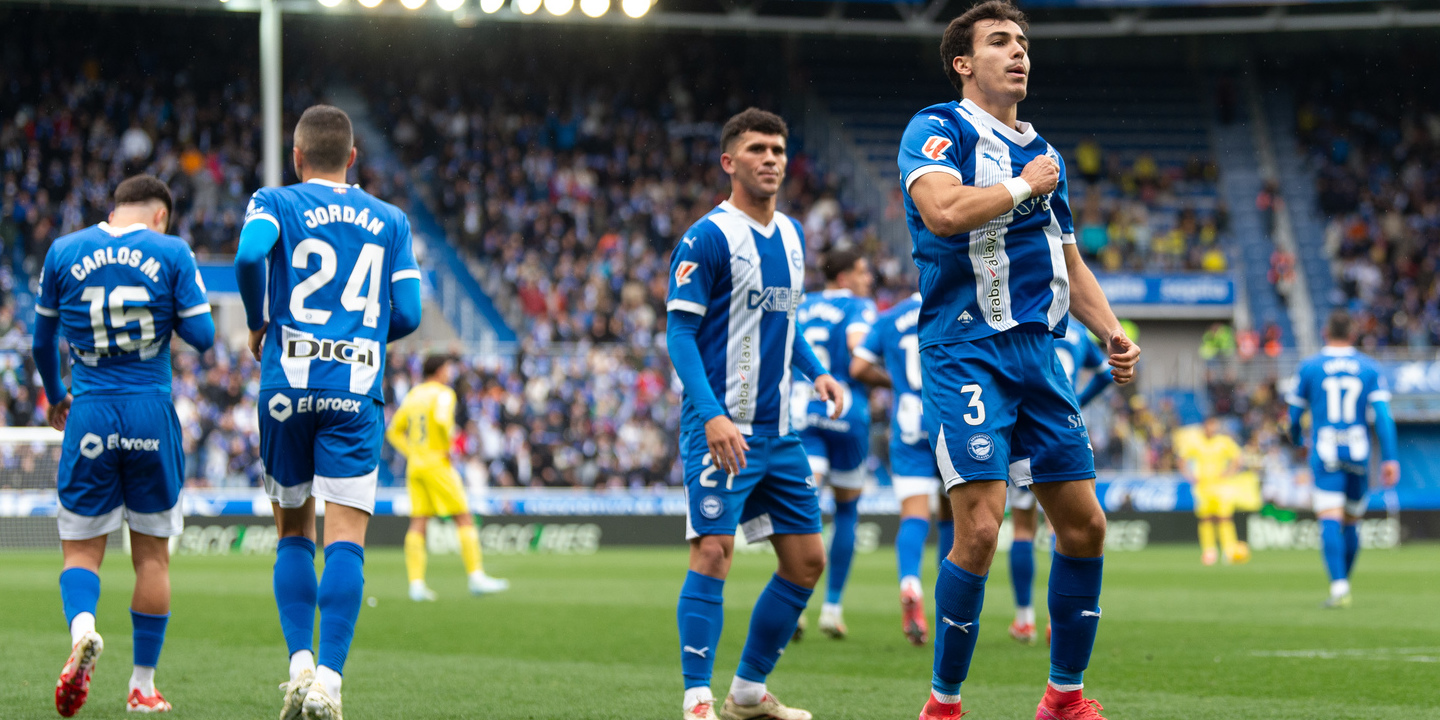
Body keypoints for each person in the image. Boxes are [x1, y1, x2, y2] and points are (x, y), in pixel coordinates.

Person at [896, 3, 1141, 718]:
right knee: (978, 528)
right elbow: (942, 213)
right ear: (964, 64)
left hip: (1041, 353)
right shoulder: (937, 128)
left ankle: (1063, 698)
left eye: (1024, 42)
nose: (1019, 52)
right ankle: (943, 703)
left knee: (1087, 525)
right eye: (1000, 42)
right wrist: (1024, 186)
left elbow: (1069, 258)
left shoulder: (1044, 153)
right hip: (966, 349)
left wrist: (1111, 332)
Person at [234, 105, 423, 720]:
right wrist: (362, 334)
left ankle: (299, 667)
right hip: (353, 393)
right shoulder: (390, 219)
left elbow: (246, 257)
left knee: (292, 532)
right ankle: (331, 683)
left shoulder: (275, 200)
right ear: (352, 158)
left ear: (296, 157)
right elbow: (412, 313)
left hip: (286, 388)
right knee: (347, 540)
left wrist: (260, 319)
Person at [666, 107, 845, 720]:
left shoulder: (793, 237)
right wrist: (711, 414)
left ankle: (747, 691)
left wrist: (817, 369)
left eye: (777, 149)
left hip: (780, 432)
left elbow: (785, 323)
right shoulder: (708, 237)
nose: (770, 159)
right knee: (714, 550)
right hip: (721, 429)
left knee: (806, 561)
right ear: (729, 162)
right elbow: (680, 334)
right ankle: (697, 699)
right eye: (757, 150)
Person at [35, 174, 215, 715]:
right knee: (152, 558)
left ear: (116, 209)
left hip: (88, 409)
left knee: (82, 551)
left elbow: (43, 340)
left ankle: (83, 633)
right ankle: (141, 686)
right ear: (160, 215)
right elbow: (204, 337)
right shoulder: (171, 251)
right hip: (149, 409)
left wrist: (55, 396)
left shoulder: (64, 250)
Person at [851, 290, 954, 646]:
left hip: (908, 423)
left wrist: (894, 381)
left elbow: (859, 366)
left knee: (914, 517)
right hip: (953, 421)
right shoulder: (954, 303)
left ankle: (910, 584)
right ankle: (949, 607)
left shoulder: (889, 317)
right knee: (951, 518)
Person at [1006, 321, 1114, 646]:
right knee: (1066, 530)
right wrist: (1076, 400)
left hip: (1024, 426)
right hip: (1065, 428)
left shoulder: (1023, 320)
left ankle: (1025, 619)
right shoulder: (1079, 333)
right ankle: (1060, 620)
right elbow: (1106, 372)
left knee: (1023, 529)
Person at [1286, 309, 1399, 608]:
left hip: (1325, 452)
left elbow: (1294, 417)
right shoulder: (1369, 367)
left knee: (1329, 520)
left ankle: (1339, 587)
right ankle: (1343, 582)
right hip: (1359, 453)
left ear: (1326, 332)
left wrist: (1298, 440)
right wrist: (1390, 458)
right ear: (1353, 334)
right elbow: (1384, 417)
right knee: (1351, 522)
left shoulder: (1310, 366)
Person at [794, 246, 877, 639]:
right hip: (845, 410)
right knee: (846, 510)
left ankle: (794, 604)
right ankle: (831, 608)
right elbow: (856, 347)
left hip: (801, 409)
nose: (868, 279)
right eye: (862, 271)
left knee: (804, 504)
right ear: (843, 278)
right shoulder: (859, 306)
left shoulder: (803, 304)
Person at [386, 354, 509, 601]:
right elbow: (443, 421)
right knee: (463, 517)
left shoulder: (413, 394)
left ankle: (416, 584)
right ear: (440, 370)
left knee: (418, 522)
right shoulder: (443, 394)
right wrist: (450, 446)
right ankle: (476, 577)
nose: (450, 373)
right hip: (437, 463)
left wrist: (413, 451)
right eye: (448, 369)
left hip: (416, 465)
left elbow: (393, 431)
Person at [1180, 416, 1247, 566]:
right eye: (1210, 425)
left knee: (1224, 518)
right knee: (1206, 519)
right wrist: (1189, 476)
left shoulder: (1224, 442)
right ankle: (1209, 551)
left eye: (1214, 426)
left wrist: (1229, 473)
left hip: (1221, 486)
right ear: (1205, 426)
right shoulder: (1195, 442)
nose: (1212, 428)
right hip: (1203, 487)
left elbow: (1238, 458)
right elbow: (1181, 459)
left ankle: (1229, 550)